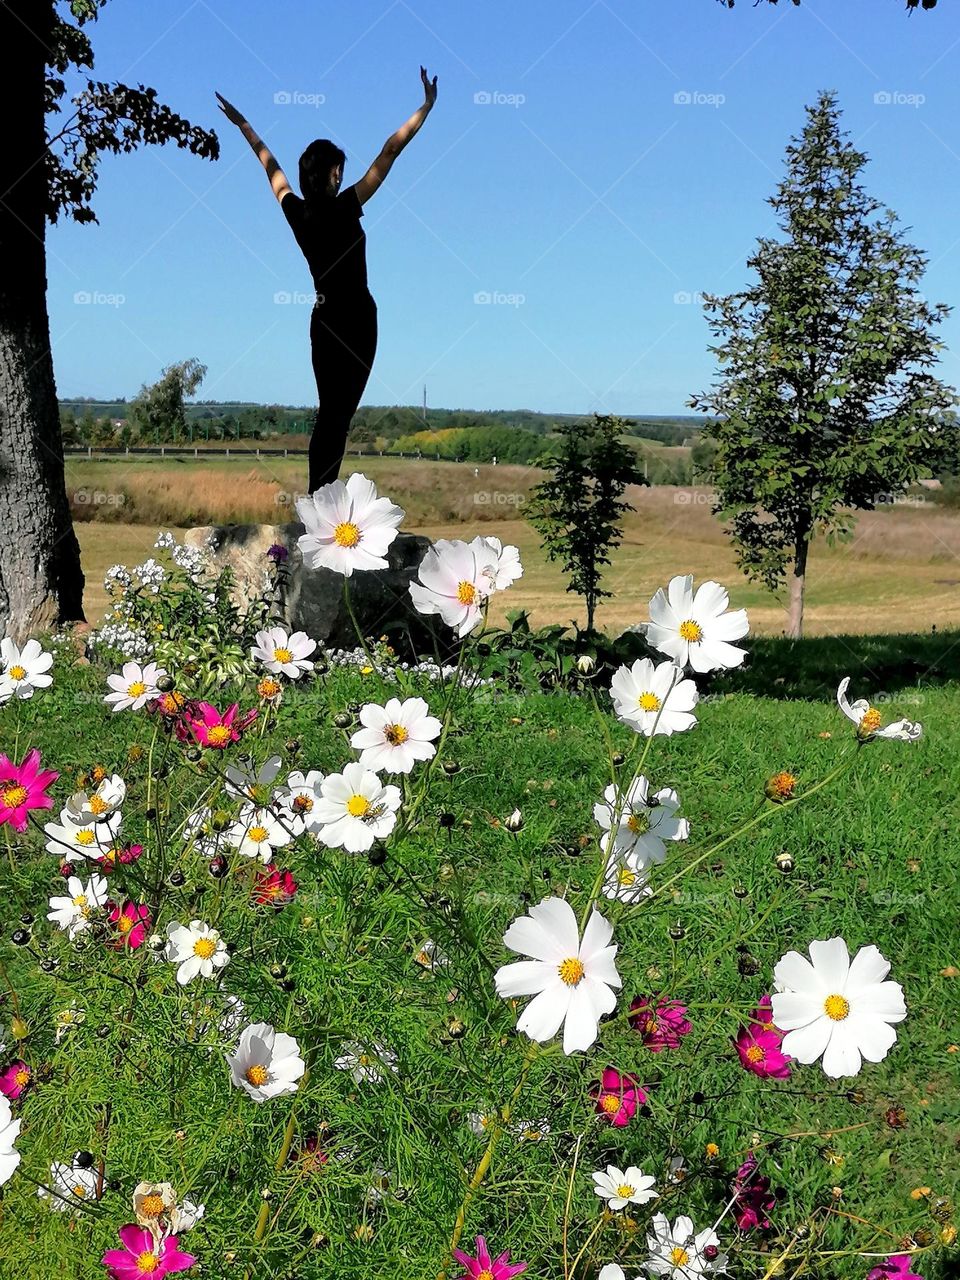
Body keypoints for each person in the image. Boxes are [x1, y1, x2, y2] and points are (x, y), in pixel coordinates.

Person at [215, 67, 438, 493]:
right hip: (357, 319)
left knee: (330, 413)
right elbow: (389, 152)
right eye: (338, 168)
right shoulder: (347, 205)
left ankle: (320, 494)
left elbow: (271, 168)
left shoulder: (297, 212)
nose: (342, 174)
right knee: (339, 414)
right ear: (332, 173)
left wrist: (244, 125)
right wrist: (425, 108)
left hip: (325, 319)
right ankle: (321, 497)